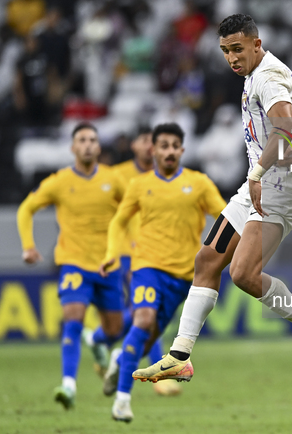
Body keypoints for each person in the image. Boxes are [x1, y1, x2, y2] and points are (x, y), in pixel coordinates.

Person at [131, 14, 292, 387]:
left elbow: (286, 131)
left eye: (238, 49)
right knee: (207, 260)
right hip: (258, 181)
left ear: (257, 44)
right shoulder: (252, 75)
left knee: (242, 274)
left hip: (281, 187)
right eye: (225, 50)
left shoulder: (269, 78)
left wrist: (257, 175)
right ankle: (179, 357)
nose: (231, 57)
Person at [98, 123, 227, 422]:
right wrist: (111, 254)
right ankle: (122, 401)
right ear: (153, 150)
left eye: (174, 146)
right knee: (142, 321)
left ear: (182, 150)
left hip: (182, 278)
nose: (169, 151)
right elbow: (119, 221)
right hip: (146, 268)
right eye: (163, 146)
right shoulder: (139, 185)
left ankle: (119, 359)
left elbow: (224, 218)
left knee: (146, 340)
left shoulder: (199, 183)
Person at [16, 122, 125, 410]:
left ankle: (97, 340)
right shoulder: (59, 182)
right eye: (82, 140)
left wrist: (134, 243)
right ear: (73, 147)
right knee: (72, 319)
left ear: (99, 147)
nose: (88, 144)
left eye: (92, 139)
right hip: (74, 264)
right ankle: (68, 385)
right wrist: (28, 245)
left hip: (108, 266)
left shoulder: (113, 179)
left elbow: (134, 208)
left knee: (114, 330)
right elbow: (26, 209)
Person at [83, 125, 178, 396]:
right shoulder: (117, 176)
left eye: (154, 141)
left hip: (157, 253)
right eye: (145, 140)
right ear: (134, 145)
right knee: (146, 311)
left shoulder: (165, 176)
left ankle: (97, 338)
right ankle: (158, 373)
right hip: (127, 254)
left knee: (143, 312)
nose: (150, 145)